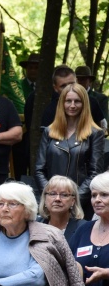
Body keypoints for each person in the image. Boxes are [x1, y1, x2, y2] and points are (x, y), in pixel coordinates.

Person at [35, 83, 105, 219]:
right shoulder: (49, 131)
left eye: (77, 101)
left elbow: (95, 173)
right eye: (68, 101)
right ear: (62, 103)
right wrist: (52, 197)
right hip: (52, 205)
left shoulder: (95, 133)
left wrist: (74, 199)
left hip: (80, 204)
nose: (72, 105)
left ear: (84, 104)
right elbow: (39, 169)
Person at [37, 175, 85, 241]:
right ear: (45, 199)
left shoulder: (83, 227)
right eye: (52, 194)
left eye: (64, 195)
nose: (57, 199)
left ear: (72, 201)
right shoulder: (35, 225)